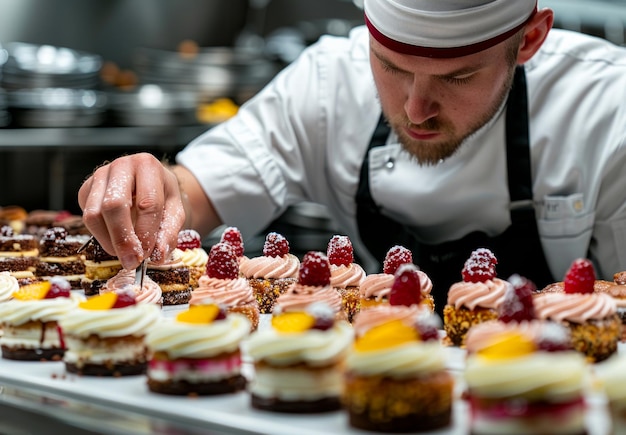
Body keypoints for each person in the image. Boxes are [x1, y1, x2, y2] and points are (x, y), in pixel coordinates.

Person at [79, 0, 626, 310]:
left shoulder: (607, 108)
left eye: (457, 76)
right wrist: (151, 185)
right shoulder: (324, 83)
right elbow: (191, 192)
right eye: (390, 66)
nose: (415, 110)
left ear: (529, 40)